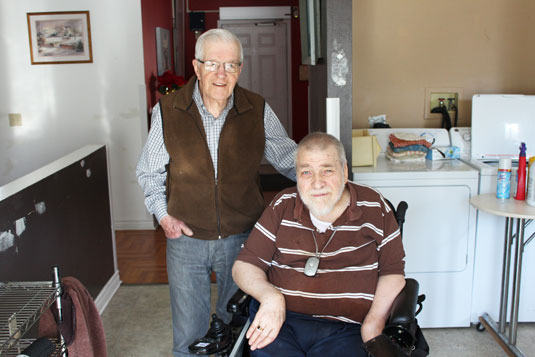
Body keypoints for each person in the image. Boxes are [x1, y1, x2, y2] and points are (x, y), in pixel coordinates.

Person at [136, 28, 297, 356]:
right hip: (185, 239)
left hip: (244, 239)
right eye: (212, 64)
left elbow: (288, 157)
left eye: (231, 65)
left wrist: (323, 173)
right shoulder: (167, 111)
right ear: (197, 67)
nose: (222, 74)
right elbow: (148, 173)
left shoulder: (257, 108)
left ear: (240, 69)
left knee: (238, 328)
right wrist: (164, 216)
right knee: (189, 334)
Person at [232, 132, 406, 356]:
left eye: (327, 170)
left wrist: (373, 323)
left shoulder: (375, 206)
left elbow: (393, 273)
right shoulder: (283, 205)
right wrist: (270, 297)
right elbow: (244, 266)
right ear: (297, 175)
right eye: (306, 172)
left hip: (348, 328)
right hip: (282, 321)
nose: (317, 183)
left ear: (344, 171)